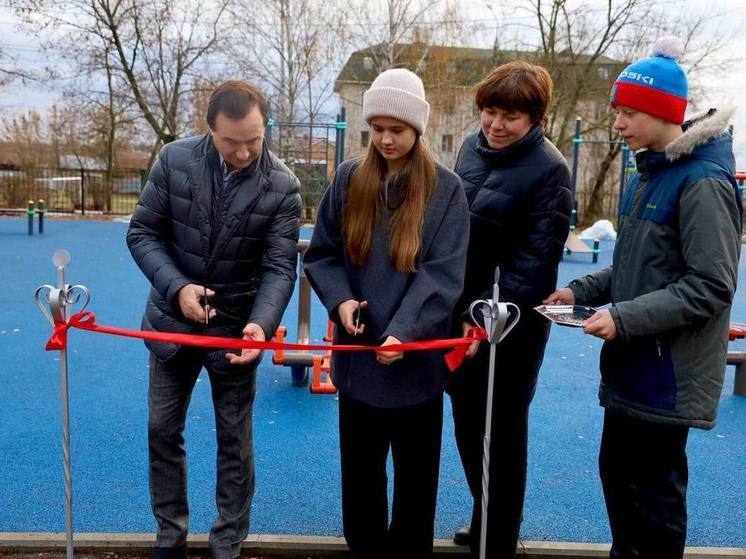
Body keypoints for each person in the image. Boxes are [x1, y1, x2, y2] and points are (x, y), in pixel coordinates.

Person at [544, 38, 741, 559]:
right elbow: (635, 262)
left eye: (629, 113)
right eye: (618, 112)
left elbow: (713, 285)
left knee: (653, 506)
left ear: (662, 114)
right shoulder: (647, 173)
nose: (618, 124)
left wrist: (623, 318)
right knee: (620, 485)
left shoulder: (701, 182)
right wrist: (579, 290)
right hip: (634, 367)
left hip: (667, 374)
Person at [126, 80, 301, 559]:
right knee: (162, 429)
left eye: (254, 140)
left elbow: (280, 267)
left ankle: (228, 541)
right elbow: (142, 232)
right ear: (209, 130)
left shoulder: (284, 186)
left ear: (265, 127)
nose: (244, 152)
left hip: (235, 332)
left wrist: (261, 327)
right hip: (169, 323)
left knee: (234, 442)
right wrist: (177, 288)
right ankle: (170, 534)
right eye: (231, 142)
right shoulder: (174, 160)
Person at [303, 68, 469, 559]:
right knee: (360, 475)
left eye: (396, 129)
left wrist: (403, 332)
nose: (385, 139)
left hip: (415, 362)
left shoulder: (447, 190)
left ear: (417, 130)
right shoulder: (349, 179)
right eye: (376, 128)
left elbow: (442, 273)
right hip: (358, 360)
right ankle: (365, 549)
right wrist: (341, 301)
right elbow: (323, 253)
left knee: (416, 482)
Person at [448, 60, 572, 558]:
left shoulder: (550, 170)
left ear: (535, 118)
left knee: (499, 434)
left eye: (511, 117)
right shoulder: (469, 149)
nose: (496, 125)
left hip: (509, 328)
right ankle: (483, 514)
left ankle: (498, 539)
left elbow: (534, 266)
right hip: (458, 316)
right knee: (464, 425)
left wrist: (481, 320)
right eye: (489, 111)